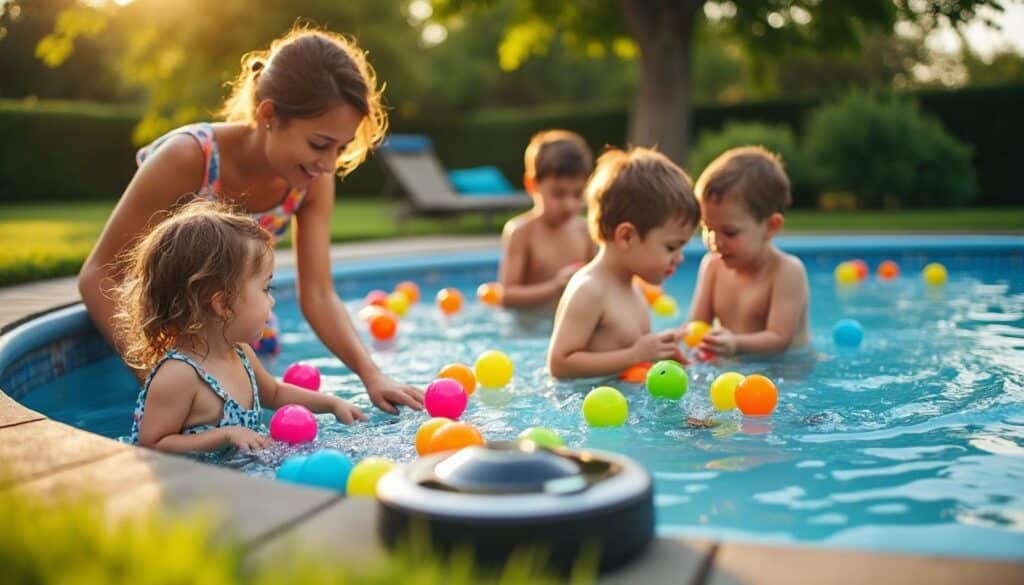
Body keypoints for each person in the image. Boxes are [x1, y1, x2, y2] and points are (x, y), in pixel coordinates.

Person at [77, 27, 422, 414]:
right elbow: (99, 274)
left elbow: (319, 294)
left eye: (340, 149)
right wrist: (160, 375)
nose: (329, 164)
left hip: (242, 338)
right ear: (269, 114)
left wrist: (371, 375)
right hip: (171, 343)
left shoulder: (312, 182)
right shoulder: (190, 157)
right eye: (320, 144)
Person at [116, 201, 366, 453]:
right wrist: (225, 434)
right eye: (266, 289)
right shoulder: (179, 375)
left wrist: (332, 404)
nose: (272, 300)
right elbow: (152, 445)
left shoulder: (239, 351)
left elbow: (276, 393)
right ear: (223, 304)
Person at [547, 147, 700, 380]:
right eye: (671, 247)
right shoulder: (590, 289)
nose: (679, 257)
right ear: (626, 236)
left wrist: (659, 352)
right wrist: (635, 354)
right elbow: (559, 363)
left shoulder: (635, 289)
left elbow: (635, 358)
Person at [686, 146, 810, 357]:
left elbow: (780, 338)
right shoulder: (712, 265)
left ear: (771, 227)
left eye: (730, 232)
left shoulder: (787, 271)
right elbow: (697, 326)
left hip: (785, 369)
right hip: (735, 365)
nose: (715, 241)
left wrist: (735, 343)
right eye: (707, 228)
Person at [498, 130, 596, 310]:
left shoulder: (586, 230)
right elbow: (506, 295)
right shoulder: (521, 232)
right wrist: (554, 287)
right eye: (558, 194)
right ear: (532, 184)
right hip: (530, 326)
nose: (569, 204)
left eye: (577, 194)